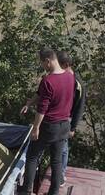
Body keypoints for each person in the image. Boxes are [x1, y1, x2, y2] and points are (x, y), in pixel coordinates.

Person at [18, 48, 74, 195]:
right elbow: (42, 95)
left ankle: (26, 190)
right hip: (64, 126)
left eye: (42, 63)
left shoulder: (48, 80)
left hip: (49, 126)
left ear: (48, 61)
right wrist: (29, 103)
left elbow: (42, 109)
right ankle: (54, 192)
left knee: (32, 156)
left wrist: (36, 128)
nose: (42, 66)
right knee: (56, 161)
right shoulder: (70, 77)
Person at [57, 51, 86, 183]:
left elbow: (80, 107)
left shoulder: (77, 83)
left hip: (67, 120)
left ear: (66, 64)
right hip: (55, 118)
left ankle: (60, 175)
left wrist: (73, 127)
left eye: (59, 65)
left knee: (63, 147)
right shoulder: (58, 76)